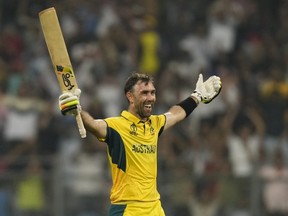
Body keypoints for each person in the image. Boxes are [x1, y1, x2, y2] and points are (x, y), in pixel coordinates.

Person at [58, 72, 222, 216]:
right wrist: (77, 111)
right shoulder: (117, 126)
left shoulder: (155, 124)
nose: (150, 97)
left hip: (154, 207)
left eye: (152, 92)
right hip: (128, 209)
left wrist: (196, 96)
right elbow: (93, 125)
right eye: (144, 93)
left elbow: (176, 113)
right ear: (130, 96)